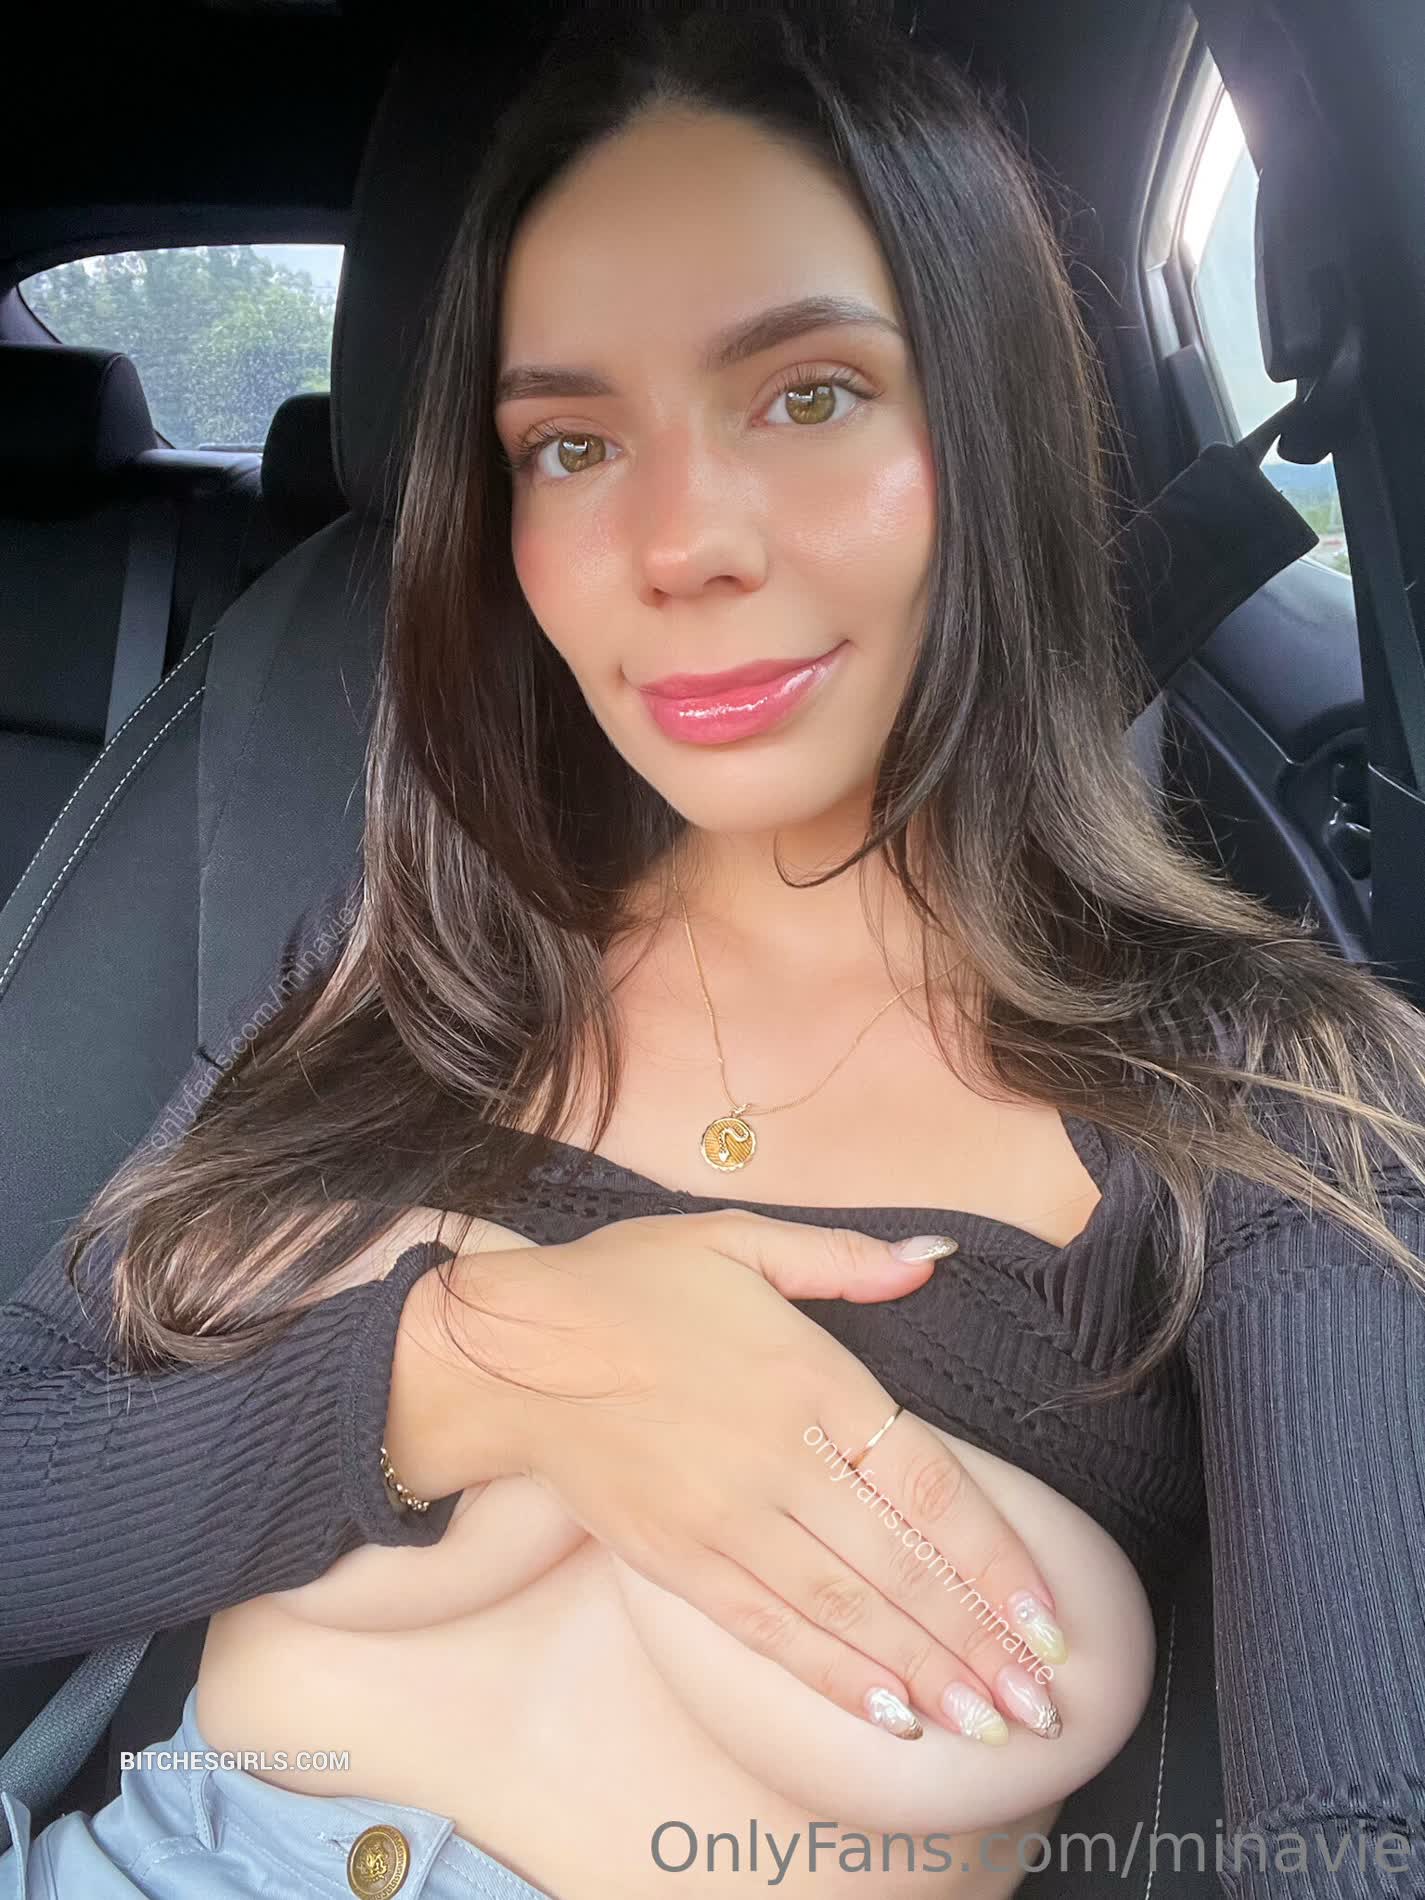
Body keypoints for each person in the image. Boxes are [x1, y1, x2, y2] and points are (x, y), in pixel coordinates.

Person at [5, 4, 1425, 1896]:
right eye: (572, 442)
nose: (677, 542)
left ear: (990, 429)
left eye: (808, 395)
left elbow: (1361, 1836)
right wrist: (467, 1373)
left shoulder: (1273, 1102)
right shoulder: (414, 964)